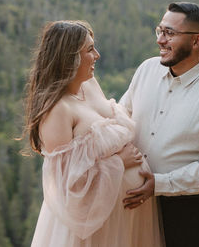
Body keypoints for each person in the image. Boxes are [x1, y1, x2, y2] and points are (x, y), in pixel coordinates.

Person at [24, 20, 164, 246]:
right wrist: (119, 162)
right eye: (89, 49)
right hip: (94, 229)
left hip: (128, 218)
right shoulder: (57, 110)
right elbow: (68, 188)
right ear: (69, 56)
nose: (97, 55)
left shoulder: (88, 85)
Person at [120, 1, 199, 247]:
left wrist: (161, 184)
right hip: (133, 202)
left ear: (197, 41)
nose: (160, 40)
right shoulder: (146, 70)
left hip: (187, 212)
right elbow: (121, 119)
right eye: (160, 30)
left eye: (170, 33)